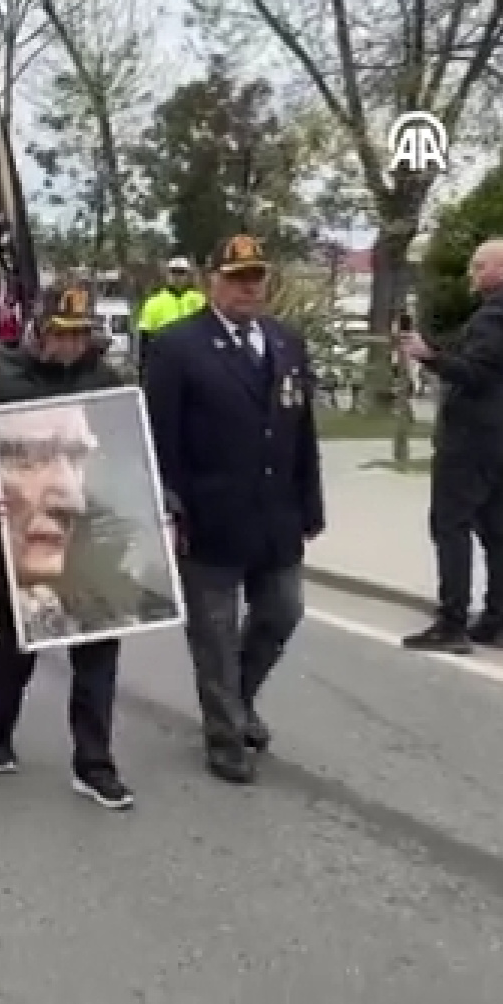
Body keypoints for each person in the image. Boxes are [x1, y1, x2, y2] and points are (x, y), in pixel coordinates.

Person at [144, 235, 323, 785]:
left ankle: (237, 702)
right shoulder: (178, 345)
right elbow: (160, 435)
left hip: (275, 515)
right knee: (215, 635)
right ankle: (224, 737)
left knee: (282, 612)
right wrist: (169, 504)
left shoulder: (285, 341)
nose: (249, 287)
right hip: (210, 514)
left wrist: (310, 503)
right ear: (212, 281)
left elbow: (302, 430)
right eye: (238, 277)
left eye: (256, 277)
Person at [0, 286, 135, 809]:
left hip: (90, 538)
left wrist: (151, 501)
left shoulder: (105, 383)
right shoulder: (3, 385)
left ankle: (94, 764)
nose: (69, 345)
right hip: (25, 540)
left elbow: (127, 452)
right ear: (38, 330)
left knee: (99, 646)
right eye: (60, 333)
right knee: (17, 646)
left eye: (79, 335)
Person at [398, 238, 503, 652]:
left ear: (502, 271)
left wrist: (428, 357)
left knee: (451, 525)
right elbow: (500, 370)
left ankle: (452, 623)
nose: (472, 273)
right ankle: (497, 619)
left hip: (471, 437)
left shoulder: (496, 314)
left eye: (479, 266)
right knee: (496, 526)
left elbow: (476, 373)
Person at [135, 258, 206, 373]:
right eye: (174, 272)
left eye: (181, 272)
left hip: (195, 362)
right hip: (165, 362)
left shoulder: (200, 300)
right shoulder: (153, 302)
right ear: (167, 275)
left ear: (188, 275)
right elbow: (145, 336)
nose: (177, 277)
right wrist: (143, 365)